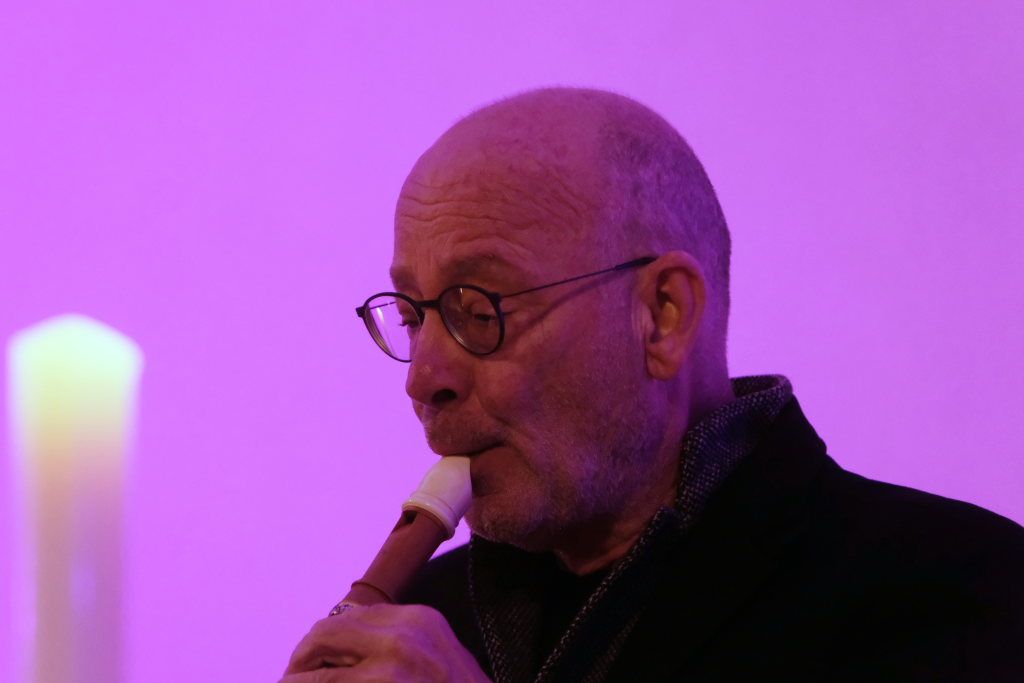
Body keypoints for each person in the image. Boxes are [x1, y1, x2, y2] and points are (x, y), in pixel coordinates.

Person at [281, 88, 1024, 682]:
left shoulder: (959, 590)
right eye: (414, 318)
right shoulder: (430, 616)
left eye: (479, 311)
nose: (424, 379)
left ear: (663, 315)